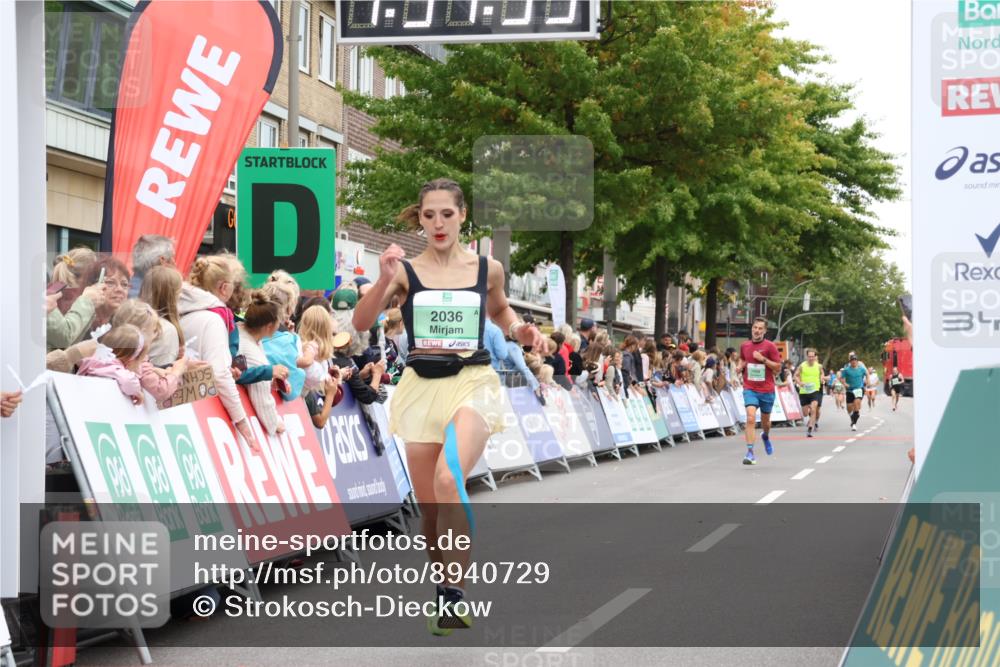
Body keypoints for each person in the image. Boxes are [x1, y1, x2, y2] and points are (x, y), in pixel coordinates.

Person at [351, 178, 544, 635]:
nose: (438, 223)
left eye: (447, 214)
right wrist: (382, 278)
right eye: (429, 215)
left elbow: (500, 311)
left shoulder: (487, 269)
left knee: (447, 477)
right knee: (431, 510)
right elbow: (360, 322)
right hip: (421, 387)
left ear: (463, 218)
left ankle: (456, 595)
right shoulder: (406, 272)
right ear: (419, 218)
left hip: (472, 381)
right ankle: (443, 588)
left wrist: (519, 331)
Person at [179, 255, 257, 449]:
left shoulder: (178, 310)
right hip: (200, 413)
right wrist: (242, 422)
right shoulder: (213, 320)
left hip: (179, 407)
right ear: (224, 287)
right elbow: (219, 374)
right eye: (234, 284)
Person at [77, 323, 191, 405]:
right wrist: (137, 392)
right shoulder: (116, 370)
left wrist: (155, 370)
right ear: (131, 360)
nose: (142, 364)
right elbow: (128, 380)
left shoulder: (95, 361)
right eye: (142, 360)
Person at [236, 292, 287, 436]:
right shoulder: (255, 356)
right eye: (279, 321)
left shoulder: (238, 327)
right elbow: (261, 401)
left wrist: (270, 377)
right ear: (269, 326)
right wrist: (275, 422)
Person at [738, 317, 782, 465]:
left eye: (760, 328)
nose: (757, 331)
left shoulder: (770, 347)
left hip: (767, 390)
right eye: (755, 327)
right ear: (752, 328)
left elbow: (778, 368)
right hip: (750, 388)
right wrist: (740, 366)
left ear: (764, 331)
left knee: (766, 423)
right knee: (750, 418)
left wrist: (763, 359)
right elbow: (743, 359)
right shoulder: (744, 345)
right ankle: (750, 452)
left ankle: (766, 436)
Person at [139, 265, 185, 366]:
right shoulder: (166, 330)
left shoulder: (131, 318)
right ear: (173, 297)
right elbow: (161, 378)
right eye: (179, 292)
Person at [794, 348, 825, 438]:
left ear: (815, 357)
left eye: (813, 356)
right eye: (809, 356)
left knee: (813, 407)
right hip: (804, 391)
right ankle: (810, 420)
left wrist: (822, 377)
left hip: (815, 390)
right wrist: (800, 383)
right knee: (805, 413)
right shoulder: (802, 366)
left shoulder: (819, 366)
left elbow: (822, 373)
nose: (811, 358)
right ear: (807, 357)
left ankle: (810, 428)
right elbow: (795, 375)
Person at [839, 353, 867, 431]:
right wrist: (844, 383)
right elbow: (841, 378)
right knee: (849, 408)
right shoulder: (846, 370)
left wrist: (867, 381)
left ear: (857, 361)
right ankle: (853, 416)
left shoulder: (861, 369)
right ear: (850, 362)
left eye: (855, 360)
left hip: (859, 389)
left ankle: (854, 423)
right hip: (850, 390)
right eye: (852, 360)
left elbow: (867, 374)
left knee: (856, 403)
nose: (854, 362)